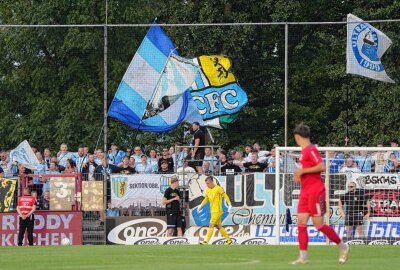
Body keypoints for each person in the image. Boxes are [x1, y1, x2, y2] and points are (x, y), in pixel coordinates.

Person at [292, 123, 349, 265]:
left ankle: (343, 246)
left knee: (318, 225)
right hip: (305, 192)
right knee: (301, 223)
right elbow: (305, 171)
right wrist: (299, 175)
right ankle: (303, 257)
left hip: (316, 191)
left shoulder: (311, 150)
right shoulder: (304, 152)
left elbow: (322, 166)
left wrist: (303, 171)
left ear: (298, 137)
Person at [198, 176, 232, 245]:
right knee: (218, 226)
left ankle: (206, 241)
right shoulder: (208, 189)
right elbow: (206, 199)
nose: (207, 185)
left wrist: (229, 204)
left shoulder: (218, 188)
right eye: (206, 183)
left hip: (218, 210)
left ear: (211, 182)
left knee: (211, 224)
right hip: (212, 211)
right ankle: (228, 240)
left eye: (208, 183)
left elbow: (225, 195)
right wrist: (201, 205)